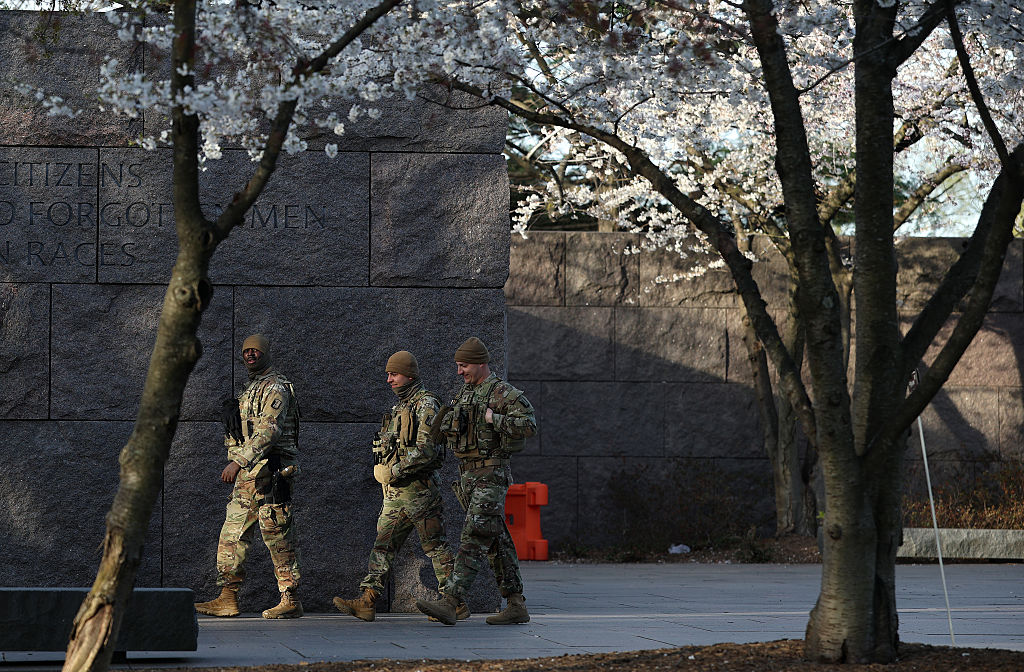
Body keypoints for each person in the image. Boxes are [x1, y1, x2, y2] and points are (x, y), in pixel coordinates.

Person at [332, 350, 467, 622]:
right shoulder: (400, 408)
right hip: (397, 494)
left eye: (393, 374)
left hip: (420, 492)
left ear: (409, 374)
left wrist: (390, 471)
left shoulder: (427, 404)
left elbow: (427, 450)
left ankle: (457, 603)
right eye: (388, 375)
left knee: (435, 547)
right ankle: (367, 601)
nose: (389, 380)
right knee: (383, 544)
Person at [416, 337, 537, 626]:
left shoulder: (502, 393)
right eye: (458, 366)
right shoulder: (465, 394)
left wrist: (496, 419)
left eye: (464, 366)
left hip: (491, 477)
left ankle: (451, 601)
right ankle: (516, 603)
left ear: (481, 363)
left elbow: (529, 425)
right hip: (469, 478)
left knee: (473, 536)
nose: (460, 372)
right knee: (496, 541)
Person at [194, 334, 303, 619]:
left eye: (255, 350)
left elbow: (269, 431)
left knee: (276, 534)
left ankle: (290, 598)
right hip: (248, 475)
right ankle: (227, 597)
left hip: (272, 471)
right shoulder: (250, 389)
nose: (250, 355)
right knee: (232, 534)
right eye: (246, 351)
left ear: (265, 353)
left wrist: (237, 462)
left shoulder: (276, 387)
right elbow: (243, 433)